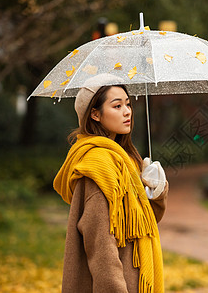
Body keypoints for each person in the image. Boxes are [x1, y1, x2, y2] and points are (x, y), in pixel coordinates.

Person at [53, 74, 168, 293]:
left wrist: (157, 192)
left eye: (127, 104)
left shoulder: (126, 160)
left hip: (136, 278)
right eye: (117, 106)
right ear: (95, 114)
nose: (127, 112)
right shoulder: (99, 166)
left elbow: (146, 225)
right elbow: (101, 248)